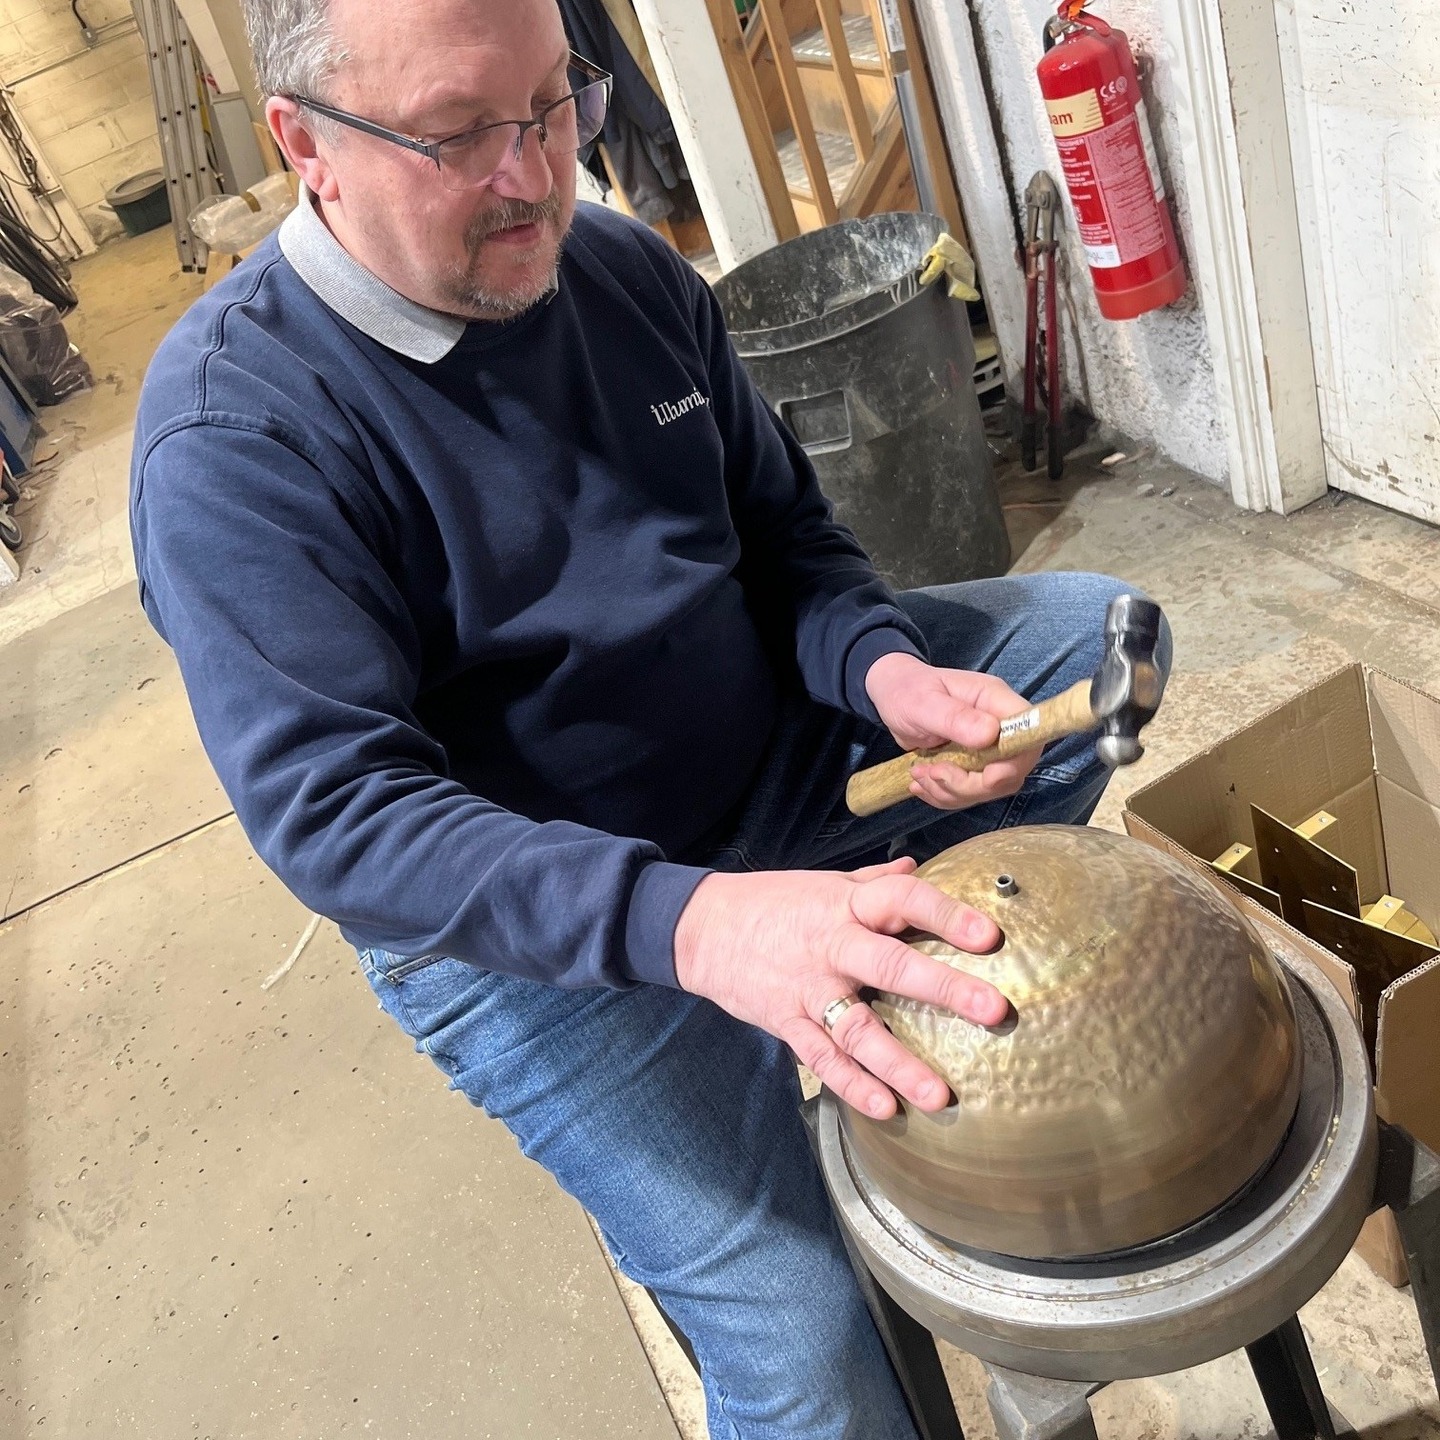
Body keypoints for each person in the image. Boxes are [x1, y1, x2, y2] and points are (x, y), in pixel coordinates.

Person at [129, 0, 1168, 1434]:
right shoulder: (237, 437)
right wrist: (701, 927)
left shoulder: (612, 266)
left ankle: (878, 1053)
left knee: (1085, 634)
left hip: (770, 764)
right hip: (534, 929)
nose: (534, 174)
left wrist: (883, 676)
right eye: (458, 136)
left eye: (557, 103)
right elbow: (341, 818)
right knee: (812, 1342)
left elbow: (790, 544)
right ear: (303, 143)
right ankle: (780, 1071)